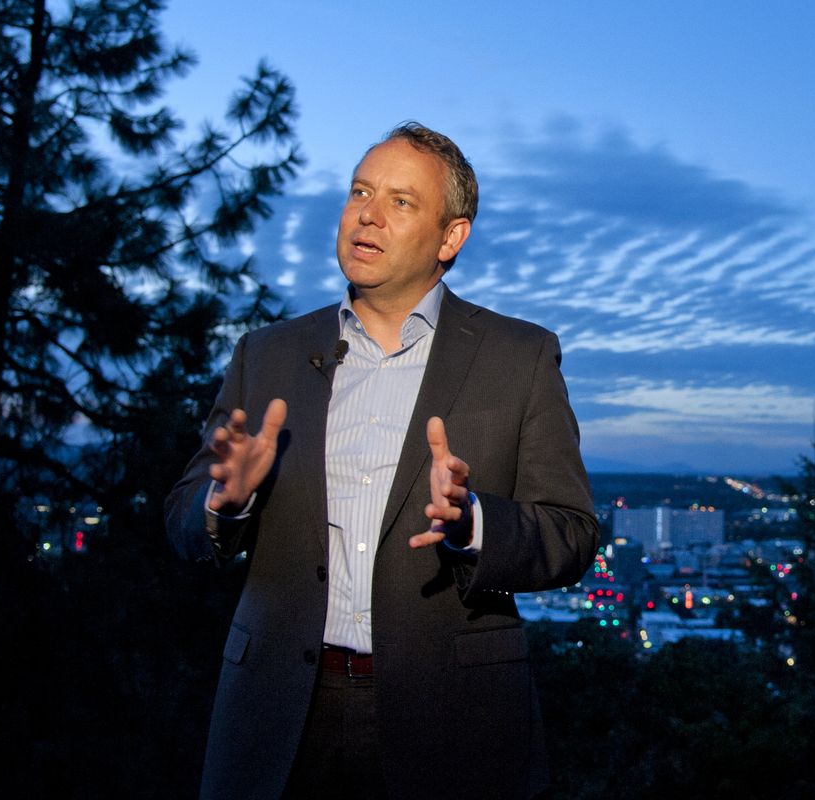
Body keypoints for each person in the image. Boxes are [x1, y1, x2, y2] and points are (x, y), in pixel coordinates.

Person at [165, 122, 598, 799]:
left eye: (400, 201)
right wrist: (227, 499)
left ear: (451, 237)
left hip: (450, 718)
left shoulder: (520, 358)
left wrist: (473, 521)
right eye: (360, 191)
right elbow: (184, 522)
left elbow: (571, 535)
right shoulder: (268, 354)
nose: (367, 213)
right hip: (276, 710)